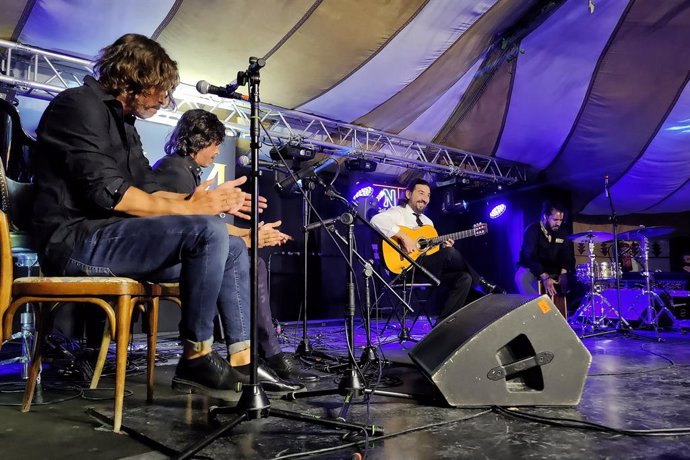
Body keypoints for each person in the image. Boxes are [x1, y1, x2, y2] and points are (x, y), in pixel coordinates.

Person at [32, 33, 273, 399]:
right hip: (75, 242)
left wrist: (202, 200)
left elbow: (147, 187)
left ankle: (241, 359)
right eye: (160, 89)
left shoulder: (125, 125)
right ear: (132, 77)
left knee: (231, 248)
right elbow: (112, 194)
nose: (165, 99)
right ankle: (196, 355)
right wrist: (194, 209)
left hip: (113, 238)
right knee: (208, 232)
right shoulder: (78, 106)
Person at [153, 109, 316, 383]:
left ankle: (253, 355)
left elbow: (208, 225)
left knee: (253, 261)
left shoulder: (185, 171)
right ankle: (259, 355)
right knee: (253, 263)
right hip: (170, 259)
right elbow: (195, 228)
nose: (217, 152)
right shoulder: (173, 170)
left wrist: (251, 233)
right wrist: (249, 236)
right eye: (215, 144)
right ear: (199, 140)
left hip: (188, 253)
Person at [370, 178, 500, 323]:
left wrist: (444, 248)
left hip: (426, 271)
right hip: (405, 271)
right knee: (451, 255)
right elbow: (375, 220)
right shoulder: (398, 213)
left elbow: (431, 253)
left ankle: (443, 323)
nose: (425, 199)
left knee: (464, 278)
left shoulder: (428, 222)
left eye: (428, 195)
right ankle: (481, 283)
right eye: (421, 193)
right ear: (408, 194)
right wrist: (403, 236)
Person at [515, 201, 577, 301]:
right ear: (545, 216)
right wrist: (545, 277)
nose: (558, 223)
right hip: (533, 269)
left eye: (561, 220)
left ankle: (568, 311)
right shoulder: (533, 230)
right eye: (555, 220)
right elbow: (530, 256)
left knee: (579, 283)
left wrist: (563, 273)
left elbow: (568, 256)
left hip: (554, 270)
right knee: (521, 278)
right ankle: (538, 306)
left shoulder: (562, 231)